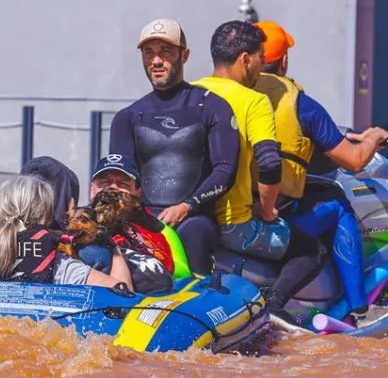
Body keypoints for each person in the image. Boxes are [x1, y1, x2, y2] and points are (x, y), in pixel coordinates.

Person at [252, 20, 388, 317]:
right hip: (275, 215)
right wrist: (373, 137)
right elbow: (354, 161)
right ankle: (359, 308)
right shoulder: (301, 105)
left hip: (231, 211)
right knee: (338, 205)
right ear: (284, 61)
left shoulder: (230, 96)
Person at [109, 18, 240, 274]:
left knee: (197, 232)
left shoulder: (212, 107)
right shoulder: (128, 117)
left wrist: (186, 206)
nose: (156, 61)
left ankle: (194, 305)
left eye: (165, 51)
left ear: (185, 55)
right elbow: (119, 179)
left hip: (193, 218)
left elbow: (225, 169)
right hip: (144, 218)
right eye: (149, 53)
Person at [191, 20, 289, 261]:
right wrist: (266, 211)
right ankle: (275, 300)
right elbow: (269, 162)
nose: (263, 65)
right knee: (310, 250)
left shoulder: (188, 93)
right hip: (232, 226)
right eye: (260, 58)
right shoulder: (253, 101)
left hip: (188, 218)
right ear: (245, 60)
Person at [0, 174, 133, 291]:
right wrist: (112, 247)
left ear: (0, 207)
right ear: (45, 215)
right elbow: (123, 291)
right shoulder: (54, 259)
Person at [88, 154, 191, 281]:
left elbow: (182, 275)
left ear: (138, 192)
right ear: (92, 189)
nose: (113, 188)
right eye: (104, 183)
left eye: (123, 184)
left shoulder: (161, 230)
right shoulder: (75, 224)